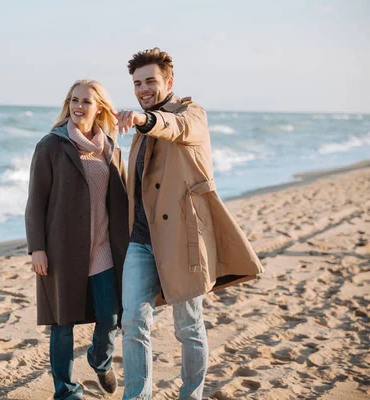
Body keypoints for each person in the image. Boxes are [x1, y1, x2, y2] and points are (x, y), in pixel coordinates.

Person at [115, 48, 265, 400]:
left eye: (150, 81)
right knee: (133, 321)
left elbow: (176, 128)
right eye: (137, 83)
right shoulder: (141, 127)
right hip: (141, 239)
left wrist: (142, 120)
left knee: (188, 325)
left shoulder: (190, 114)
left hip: (182, 239)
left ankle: (191, 395)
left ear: (169, 81)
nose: (143, 89)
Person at [25, 79, 129, 400]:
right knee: (62, 324)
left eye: (86, 101)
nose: (78, 106)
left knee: (110, 318)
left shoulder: (111, 149)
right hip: (62, 252)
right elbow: (36, 201)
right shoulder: (51, 145)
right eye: (74, 100)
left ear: (99, 108)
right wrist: (38, 249)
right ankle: (67, 392)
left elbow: (125, 200)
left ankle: (100, 359)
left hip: (104, 251)